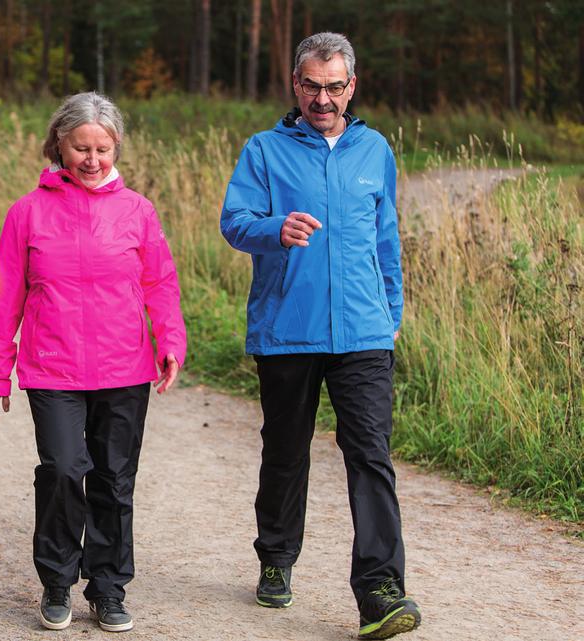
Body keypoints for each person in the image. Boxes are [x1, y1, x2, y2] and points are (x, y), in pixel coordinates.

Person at [220, 33, 421, 640]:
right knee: (286, 452)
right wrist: (274, 228)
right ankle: (276, 558)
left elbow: (387, 235)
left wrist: (391, 309)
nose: (324, 98)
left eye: (335, 86)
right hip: (288, 329)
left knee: (370, 457)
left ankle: (381, 590)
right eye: (312, 85)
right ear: (295, 83)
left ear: (351, 86)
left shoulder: (374, 149)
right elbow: (235, 222)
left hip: (363, 331)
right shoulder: (264, 151)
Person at [0, 92, 187, 633]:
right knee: (64, 471)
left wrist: (170, 340)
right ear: (59, 146)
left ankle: (109, 587)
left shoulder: (138, 211)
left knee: (115, 480)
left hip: (125, 369)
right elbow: (6, 298)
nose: (92, 160)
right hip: (53, 370)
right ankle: (56, 579)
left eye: (103, 148)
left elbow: (160, 282)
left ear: (116, 147)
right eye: (81, 148)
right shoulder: (27, 212)